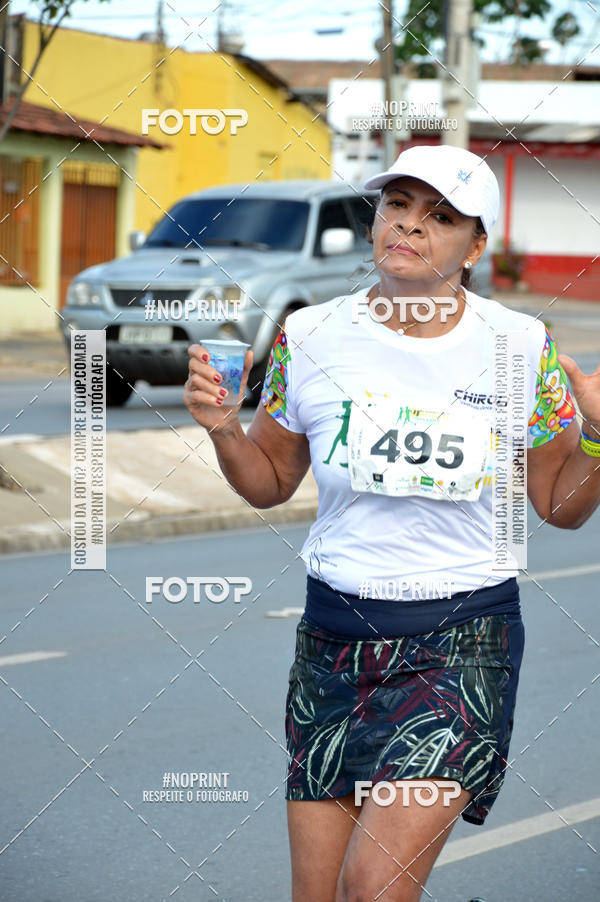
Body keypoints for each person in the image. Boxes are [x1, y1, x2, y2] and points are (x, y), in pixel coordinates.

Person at [183, 144, 600, 902]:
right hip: (333, 639)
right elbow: (270, 482)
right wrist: (223, 431)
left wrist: (597, 438)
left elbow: (561, 507)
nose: (409, 225)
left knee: (372, 889)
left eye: (440, 216)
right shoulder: (310, 334)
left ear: (474, 247)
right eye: (397, 205)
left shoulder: (520, 347)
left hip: (461, 638)